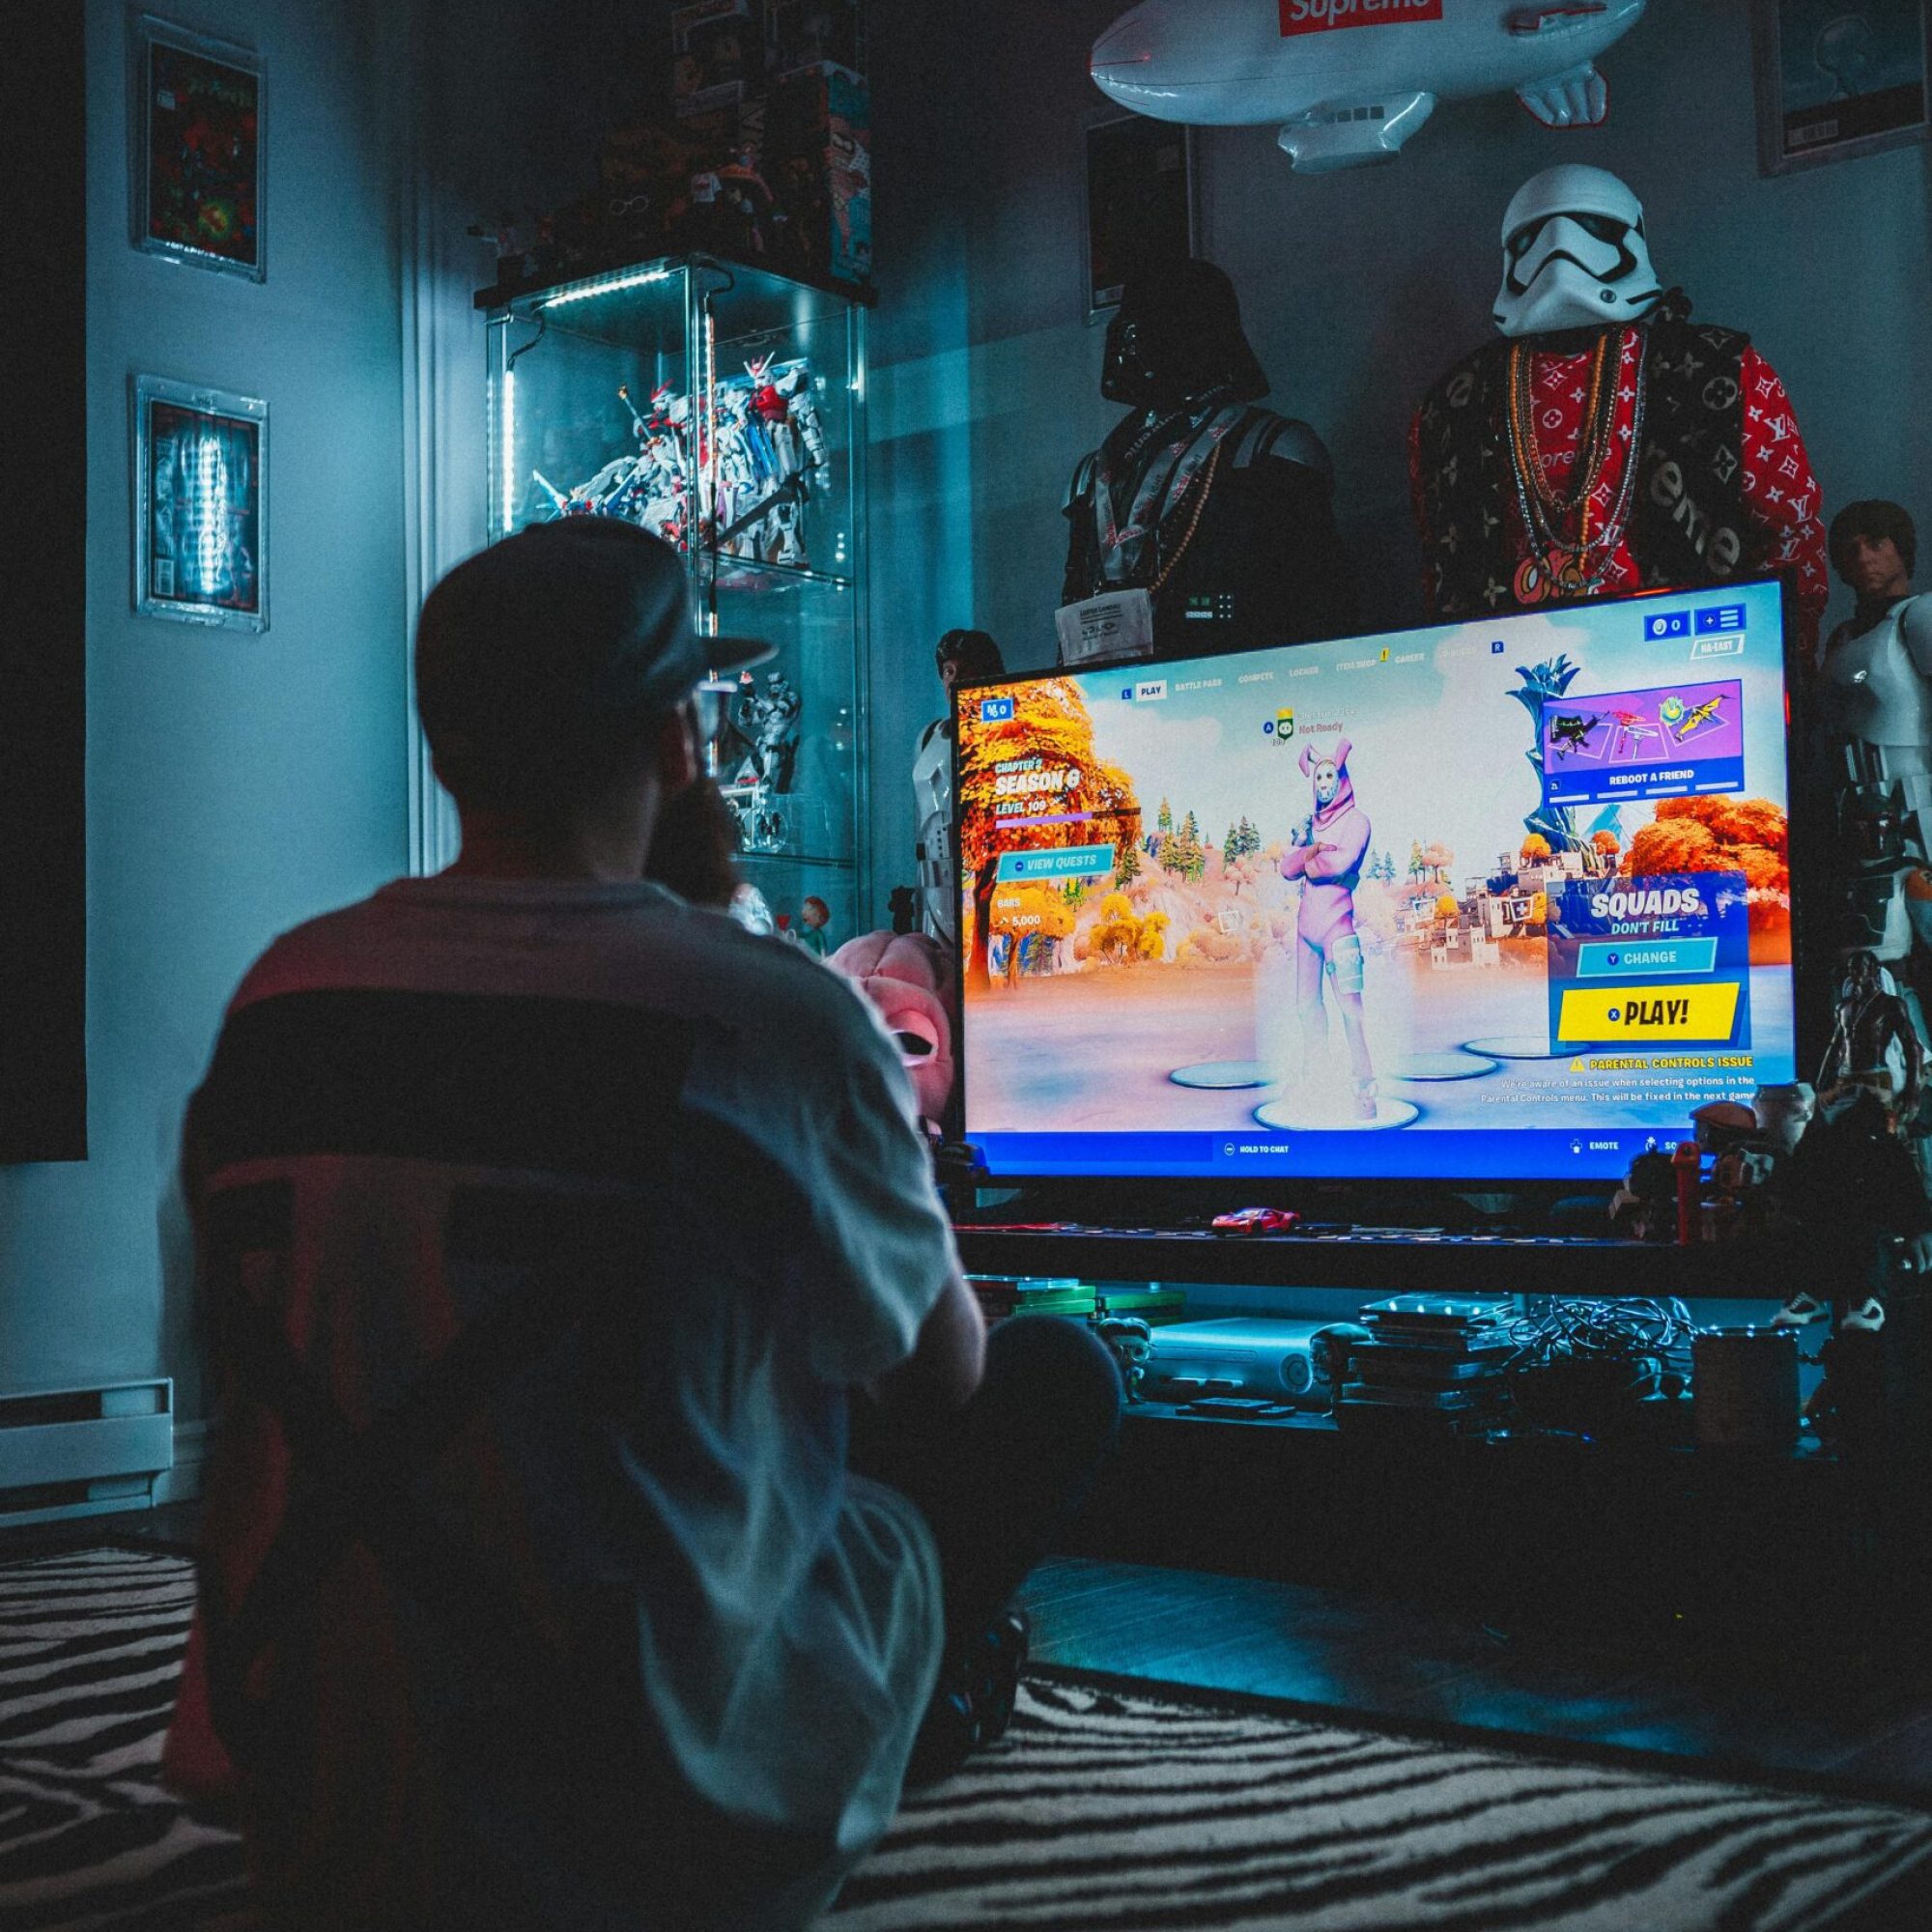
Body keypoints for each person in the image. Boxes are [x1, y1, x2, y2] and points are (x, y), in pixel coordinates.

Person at [162, 519, 1120, 1931]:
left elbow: (237, 1385)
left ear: (444, 747)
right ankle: (870, 1723)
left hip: (303, 1775)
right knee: (1058, 1373)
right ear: (681, 739)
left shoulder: (276, 997)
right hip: (645, 1810)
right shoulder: (774, 1012)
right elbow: (942, 1377)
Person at [1411, 165, 1829, 664]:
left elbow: (1792, 535)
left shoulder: (1720, 368)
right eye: (1535, 236)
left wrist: (1785, 678)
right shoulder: (1454, 403)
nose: (1562, 248)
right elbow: (1442, 572)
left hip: (1685, 661)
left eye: (1593, 229)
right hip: (1517, 668)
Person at [914, 628, 1005, 949]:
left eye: (965, 670)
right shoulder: (929, 736)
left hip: (979, 876)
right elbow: (921, 822)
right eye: (949, 671)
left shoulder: (1000, 734)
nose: (955, 680)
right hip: (933, 881)